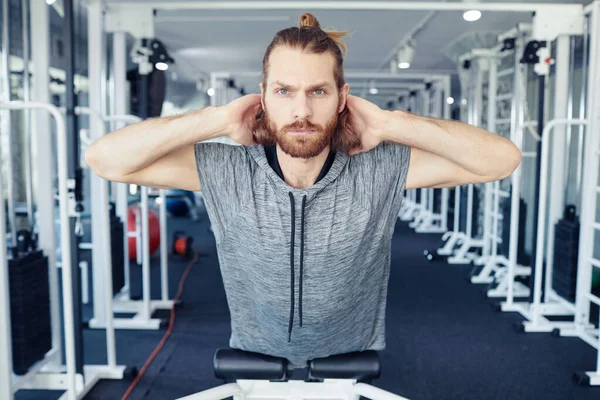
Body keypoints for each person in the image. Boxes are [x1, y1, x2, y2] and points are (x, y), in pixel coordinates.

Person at [86, 13, 521, 368]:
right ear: (263, 97)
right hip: (254, 358)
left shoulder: (380, 168)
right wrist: (216, 119)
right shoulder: (227, 169)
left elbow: (501, 159)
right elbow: (105, 159)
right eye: (284, 91)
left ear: (341, 97)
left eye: (318, 91)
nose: (301, 111)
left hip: (350, 360)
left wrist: (392, 123)